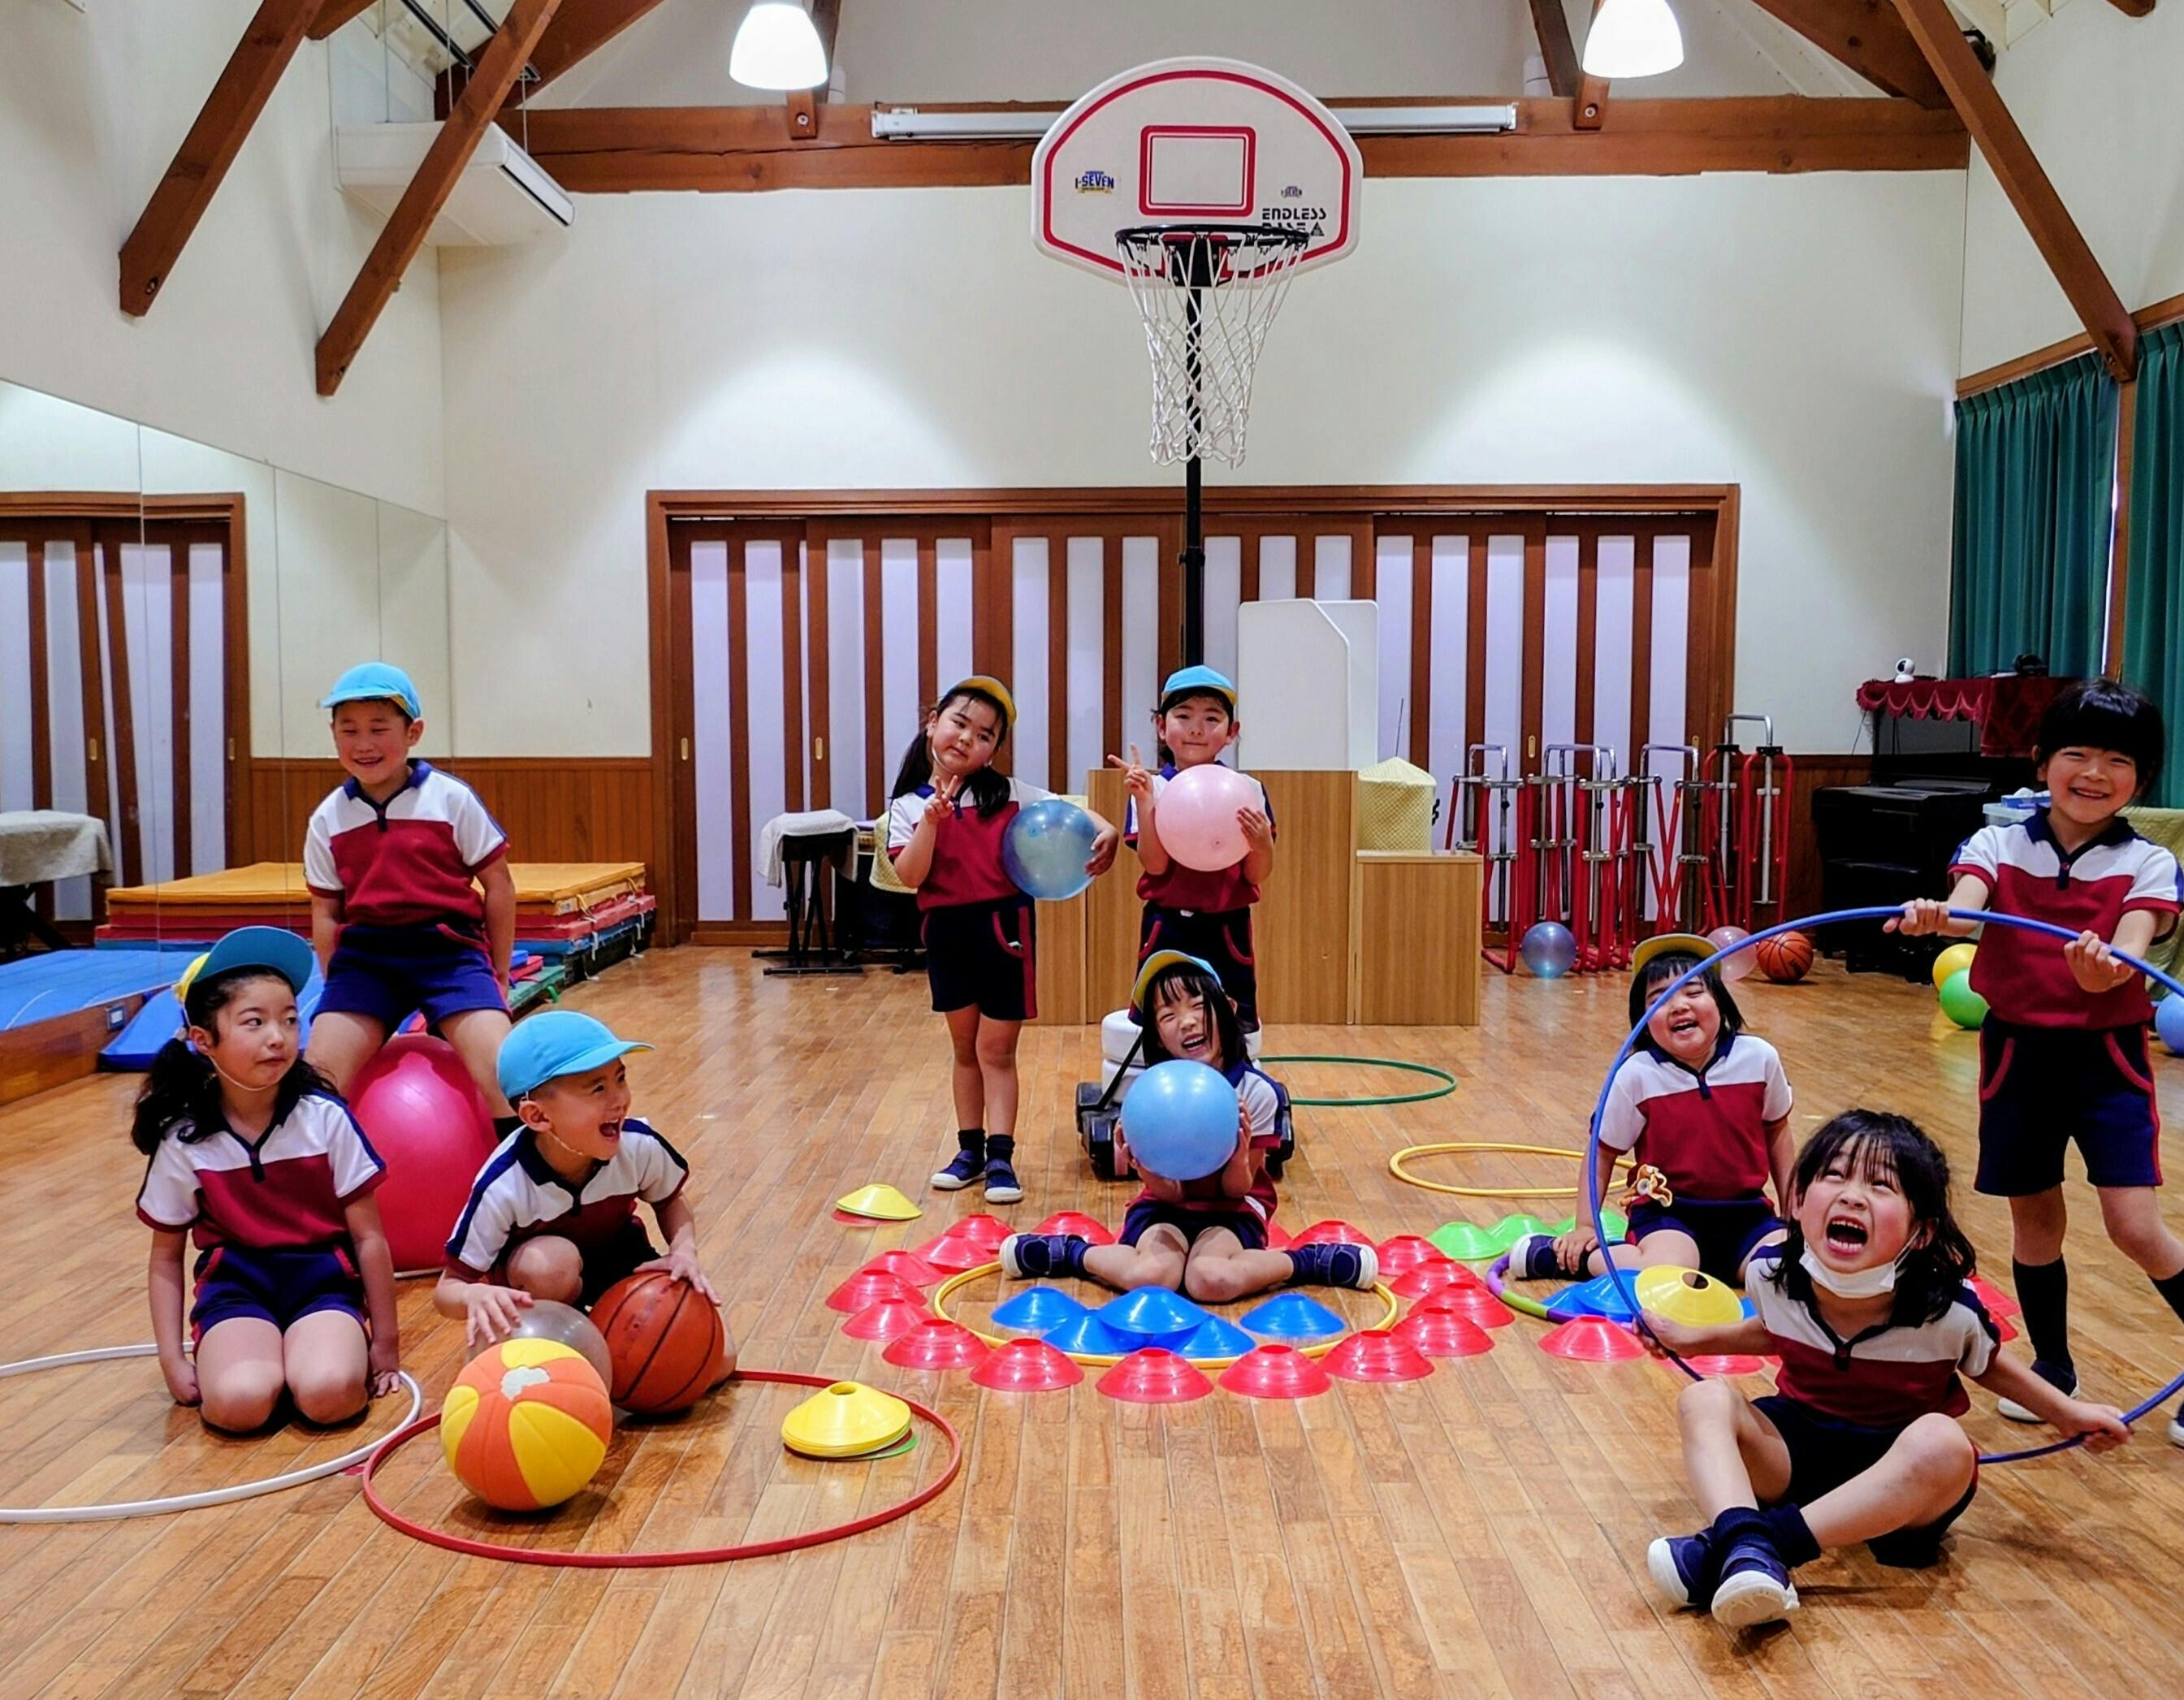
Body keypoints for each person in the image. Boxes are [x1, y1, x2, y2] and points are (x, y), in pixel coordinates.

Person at [1641, 1110, 2130, 1629]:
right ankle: (1749, 1547)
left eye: (1880, 1185)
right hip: (1795, 1455)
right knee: (1704, 1399)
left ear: (1921, 1231)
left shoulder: (1948, 1312)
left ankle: (1748, 1546)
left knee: (1944, 1443)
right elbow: (1774, 1330)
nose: (1852, 1196)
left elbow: (1992, 1367)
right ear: (1798, 1201)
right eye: (1834, 1175)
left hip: (1900, 1480)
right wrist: (1692, 1339)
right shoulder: (1772, 1278)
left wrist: (2067, 1414)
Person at [1891, 678, 2184, 1441]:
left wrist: (2101, 971)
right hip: (2016, 1054)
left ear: (2142, 778)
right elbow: (1965, 906)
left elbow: (2127, 951)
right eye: (2075, 753)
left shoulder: (2149, 863)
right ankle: (2053, 1367)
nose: (2093, 773)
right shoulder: (1996, 843)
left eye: (2117, 761)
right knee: (2033, 1219)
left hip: (2106, 1060)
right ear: (2040, 759)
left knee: (2133, 1227)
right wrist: (1934, 916)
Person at [132, 928, 400, 1432]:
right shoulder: (185, 1141)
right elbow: (165, 1258)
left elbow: (369, 1238)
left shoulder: (326, 1120)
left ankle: (310, 1357)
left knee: (330, 1394)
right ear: (204, 1041)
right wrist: (172, 1358)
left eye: (290, 1019)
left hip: (323, 1290)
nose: (278, 1037)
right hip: (236, 1295)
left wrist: (386, 1341)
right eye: (254, 1022)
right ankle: (265, 1365)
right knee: (239, 1404)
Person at [997, 951, 1377, 1297]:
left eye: (1198, 1005)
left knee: (1210, 1279)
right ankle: (1070, 1253)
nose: (1188, 1022)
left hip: (1233, 1209)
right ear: (1159, 1038)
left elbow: (1237, 1189)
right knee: (1150, 1278)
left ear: (1228, 1009)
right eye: (1168, 1016)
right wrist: (1143, 1166)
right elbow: (1169, 1194)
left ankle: (1308, 1262)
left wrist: (1238, 1155)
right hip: (1166, 1205)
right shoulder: (1153, 1097)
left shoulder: (1257, 1093)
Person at [888, 676, 1118, 1205]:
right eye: (959, 723)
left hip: (1003, 930)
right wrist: (931, 823)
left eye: (985, 735)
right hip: (947, 933)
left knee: (996, 1050)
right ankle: (968, 1151)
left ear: (993, 751)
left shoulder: (1010, 794)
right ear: (933, 723)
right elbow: (910, 875)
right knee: (964, 1048)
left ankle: (1000, 1157)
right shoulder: (905, 805)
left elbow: (1073, 810)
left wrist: (1105, 827)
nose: (968, 738)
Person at [301, 662, 520, 1136]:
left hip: (450, 955)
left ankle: (521, 1177)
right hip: (367, 962)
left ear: (413, 733)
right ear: (334, 736)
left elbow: (499, 885)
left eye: (379, 728)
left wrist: (499, 973)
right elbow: (326, 911)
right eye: (349, 730)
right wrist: (338, 991)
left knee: (506, 1074)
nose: (364, 743)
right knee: (315, 1084)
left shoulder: (451, 799)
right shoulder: (328, 819)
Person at [437, 1010, 728, 1364]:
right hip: (543, 1284)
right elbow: (448, 1288)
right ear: (538, 1117)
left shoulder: (638, 1144)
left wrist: (684, 1251)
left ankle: (606, 1339)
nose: (620, 1099)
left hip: (619, 1258)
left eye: (621, 1078)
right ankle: (564, 1347)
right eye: (598, 1088)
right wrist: (472, 1297)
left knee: (719, 1361)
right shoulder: (502, 1185)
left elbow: (670, 1201)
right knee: (549, 1264)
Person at [1509, 932, 1793, 1286]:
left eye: (1693, 992)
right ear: (1642, 1021)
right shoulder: (1637, 1074)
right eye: (1659, 999)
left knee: (1788, 1271)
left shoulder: (1759, 1058)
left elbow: (1777, 1132)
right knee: (1669, 1277)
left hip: (1748, 1216)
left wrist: (1792, 1211)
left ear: (1720, 1001)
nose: (1679, 1006)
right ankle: (1574, 1258)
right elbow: (1601, 1153)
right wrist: (1585, 1226)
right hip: (1668, 1215)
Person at [1109, 665, 1277, 1032]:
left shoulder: (1247, 790)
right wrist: (1145, 803)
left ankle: (1231, 1073)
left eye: (1212, 718)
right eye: (1183, 716)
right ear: (1161, 726)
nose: (1197, 729)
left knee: (1230, 1025)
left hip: (1228, 925)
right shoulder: (1150, 787)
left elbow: (1255, 874)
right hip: (1167, 924)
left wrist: (1263, 844)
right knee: (1163, 1022)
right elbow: (1155, 866)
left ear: (1232, 732)